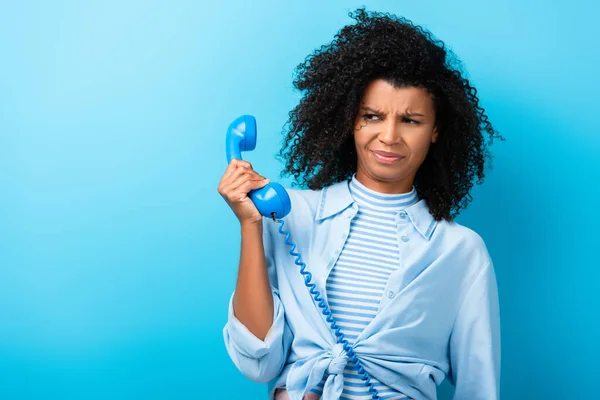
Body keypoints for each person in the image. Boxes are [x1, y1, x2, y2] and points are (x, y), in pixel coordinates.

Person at [218, 8, 503, 400]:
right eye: (372, 116)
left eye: (411, 120)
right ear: (349, 120)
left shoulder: (461, 251)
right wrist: (250, 225)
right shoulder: (286, 215)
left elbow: (479, 390)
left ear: (435, 131)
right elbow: (258, 360)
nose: (389, 136)